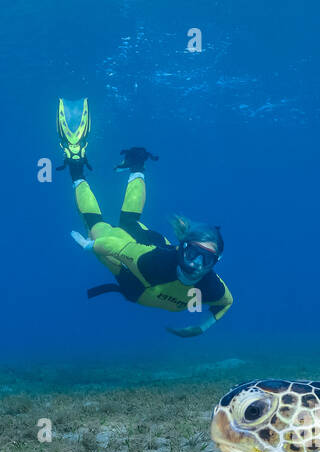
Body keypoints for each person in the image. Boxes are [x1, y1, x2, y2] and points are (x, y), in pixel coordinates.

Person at [57, 98, 233, 337]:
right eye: (193, 254)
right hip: (133, 266)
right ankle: (76, 165)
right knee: (97, 226)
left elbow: (226, 303)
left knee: (129, 222)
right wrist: (90, 246)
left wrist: (200, 328)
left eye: (206, 260)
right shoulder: (149, 261)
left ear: (216, 263)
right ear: (183, 248)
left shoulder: (212, 287)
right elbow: (115, 246)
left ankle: (137, 164)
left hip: (147, 270)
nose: (195, 266)